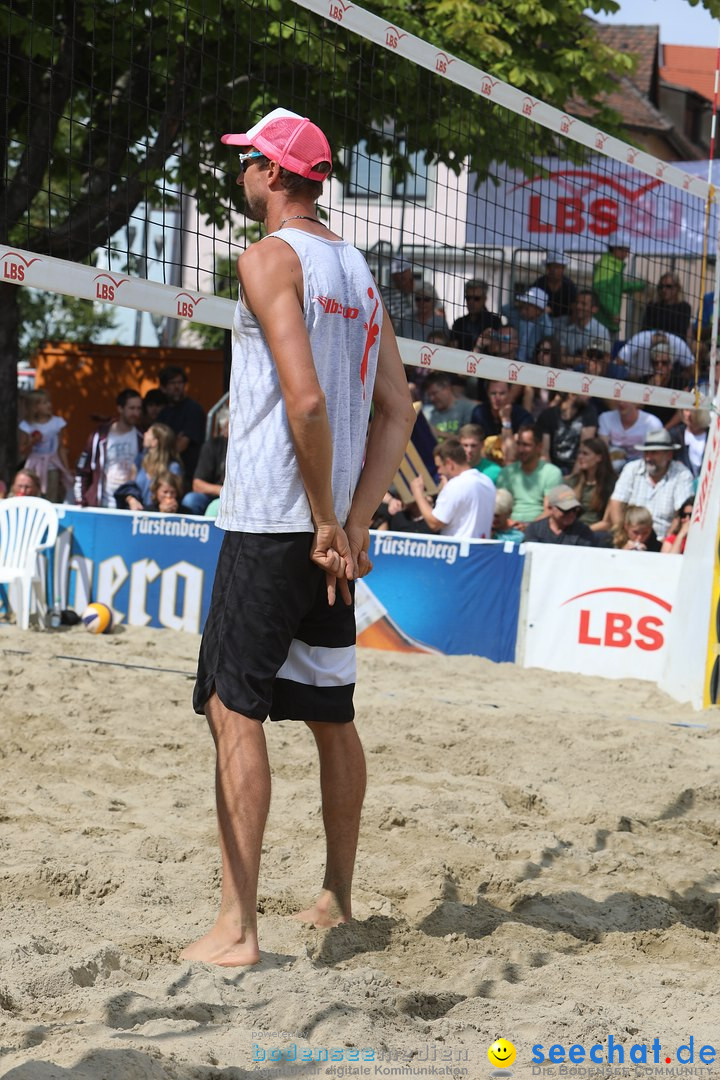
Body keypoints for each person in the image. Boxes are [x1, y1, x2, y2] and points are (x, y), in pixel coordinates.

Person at [183, 107, 415, 967]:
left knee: (232, 711)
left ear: (276, 174)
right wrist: (353, 523)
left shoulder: (267, 258)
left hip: (273, 517)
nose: (240, 172)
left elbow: (307, 401)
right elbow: (400, 407)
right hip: (327, 531)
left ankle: (237, 929)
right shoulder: (356, 271)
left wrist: (323, 514)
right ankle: (335, 898)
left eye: (248, 160)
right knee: (328, 715)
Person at [607, 428, 695, 539]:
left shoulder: (682, 474)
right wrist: (621, 536)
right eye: (646, 452)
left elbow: (681, 514)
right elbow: (617, 502)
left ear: (669, 455)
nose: (648, 457)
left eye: (654, 453)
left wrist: (667, 543)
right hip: (630, 536)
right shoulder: (632, 468)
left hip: (662, 540)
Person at [409, 438, 495, 538]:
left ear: (449, 464)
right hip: (481, 549)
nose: (439, 471)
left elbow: (434, 523)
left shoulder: (456, 485)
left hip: (459, 550)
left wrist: (418, 494)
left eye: (439, 466)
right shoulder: (487, 481)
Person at [74, 389, 144, 508]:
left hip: (130, 504)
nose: (136, 413)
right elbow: (83, 470)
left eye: (139, 409)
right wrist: (81, 501)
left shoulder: (141, 437)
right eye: (132, 408)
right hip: (102, 502)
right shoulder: (101, 436)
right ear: (120, 409)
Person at [496, 424, 563, 528]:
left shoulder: (552, 473)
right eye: (518, 444)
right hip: (509, 527)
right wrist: (509, 523)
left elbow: (550, 510)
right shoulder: (507, 472)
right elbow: (501, 507)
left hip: (540, 529)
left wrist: (528, 526)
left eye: (526, 445)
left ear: (539, 447)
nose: (521, 449)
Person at [18, 389, 73, 503]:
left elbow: (61, 448)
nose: (49, 405)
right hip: (33, 466)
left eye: (48, 402)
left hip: (52, 465)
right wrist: (33, 441)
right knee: (32, 493)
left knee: (51, 495)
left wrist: (66, 469)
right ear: (35, 407)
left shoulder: (57, 423)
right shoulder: (27, 425)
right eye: (44, 403)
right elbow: (22, 449)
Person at [117, 422, 183, 511]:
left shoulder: (173, 467)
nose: (144, 434)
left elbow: (175, 497)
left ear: (154, 442)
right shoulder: (139, 460)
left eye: (148, 433)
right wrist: (131, 499)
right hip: (138, 512)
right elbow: (129, 485)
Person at [157, 365, 206, 483]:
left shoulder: (193, 409)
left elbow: (181, 445)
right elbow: (156, 442)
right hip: (163, 468)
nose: (177, 387)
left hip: (187, 472)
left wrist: (168, 445)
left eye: (180, 382)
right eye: (172, 383)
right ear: (163, 388)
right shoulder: (163, 412)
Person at [592, 239, 646, 336]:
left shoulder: (613, 265)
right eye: (625, 251)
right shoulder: (607, 265)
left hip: (608, 321)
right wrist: (612, 312)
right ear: (616, 249)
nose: (627, 255)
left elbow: (619, 286)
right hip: (604, 321)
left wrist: (641, 285)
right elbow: (600, 289)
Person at [536, 393, 597, 474]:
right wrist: (552, 477)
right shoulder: (548, 415)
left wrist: (572, 479)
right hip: (552, 470)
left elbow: (585, 449)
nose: (589, 396)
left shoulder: (589, 412)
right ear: (571, 394)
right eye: (585, 392)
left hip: (578, 471)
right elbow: (544, 453)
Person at [182, 410, 229, 516]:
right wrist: (222, 491)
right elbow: (197, 484)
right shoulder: (213, 445)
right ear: (225, 427)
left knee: (217, 507)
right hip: (216, 494)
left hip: (238, 498)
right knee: (191, 500)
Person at [565, 438, 616, 531]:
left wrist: (584, 532)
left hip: (597, 533)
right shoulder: (572, 481)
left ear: (599, 458)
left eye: (585, 454)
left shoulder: (611, 485)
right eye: (579, 453)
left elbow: (608, 522)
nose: (580, 457)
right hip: (572, 530)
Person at [598, 400, 662, 471]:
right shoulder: (605, 417)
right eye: (619, 399)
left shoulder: (653, 423)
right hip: (614, 460)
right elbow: (603, 448)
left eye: (626, 400)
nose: (621, 403)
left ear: (636, 401)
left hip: (641, 461)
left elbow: (654, 453)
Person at [523, 484, 596, 546]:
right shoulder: (535, 530)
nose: (571, 514)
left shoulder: (583, 532)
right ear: (550, 508)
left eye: (574, 509)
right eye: (566, 510)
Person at [555, 289, 611, 360]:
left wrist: (567, 359)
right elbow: (558, 357)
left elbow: (593, 360)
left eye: (583, 304)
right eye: (577, 302)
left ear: (594, 309)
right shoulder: (565, 327)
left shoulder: (601, 331)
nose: (578, 306)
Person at [616, 329, 693, 380]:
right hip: (637, 378)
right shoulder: (639, 340)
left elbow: (694, 370)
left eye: (664, 362)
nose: (659, 366)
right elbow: (618, 361)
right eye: (656, 362)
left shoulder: (679, 344)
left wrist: (680, 379)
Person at [503, 286, 554, 362]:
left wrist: (544, 314)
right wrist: (517, 304)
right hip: (513, 359)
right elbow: (504, 309)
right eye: (522, 307)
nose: (523, 311)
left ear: (538, 310)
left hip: (532, 362)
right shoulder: (518, 317)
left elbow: (549, 333)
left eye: (527, 309)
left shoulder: (543, 322)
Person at [451, 279, 501, 350]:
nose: (471, 302)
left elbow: (496, 349)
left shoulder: (494, 322)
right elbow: (452, 349)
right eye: (468, 298)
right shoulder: (459, 323)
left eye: (476, 298)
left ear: (484, 299)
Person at [422, 372, 475, 438]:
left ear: (447, 388)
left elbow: (469, 441)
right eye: (429, 395)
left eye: (434, 393)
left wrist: (440, 433)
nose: (431, 398)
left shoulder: (467, 409)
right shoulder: (430, 414)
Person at [642, 272, 691, 340]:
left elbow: (681, 332)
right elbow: (645, 330)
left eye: (668, 286)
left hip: (674, 343)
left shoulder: (684, 308)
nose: (664, 290)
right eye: (661, 286)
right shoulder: (652, 306)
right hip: (652, 341)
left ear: (677, 288)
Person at [532, 249, 577, 320]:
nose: (558, 270)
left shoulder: (569, 285)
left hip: (564, 321)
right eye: (555, 267)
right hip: (541, 318)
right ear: (548, 268)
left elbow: (573, 306)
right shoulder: (540, 282)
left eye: (560, 267)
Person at [668, 408, 710, 479]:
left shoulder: (713, 435)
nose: (689, 414)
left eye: (693, 411)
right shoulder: (675, 435)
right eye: (686, 410)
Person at [381, 257, 415, 331]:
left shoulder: (424, 289)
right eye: (398, 273)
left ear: (409, 271)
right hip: (398, 335)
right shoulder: (385, 294)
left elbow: (439, 313)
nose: (401, 276)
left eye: (403, 271)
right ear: (393, 276)